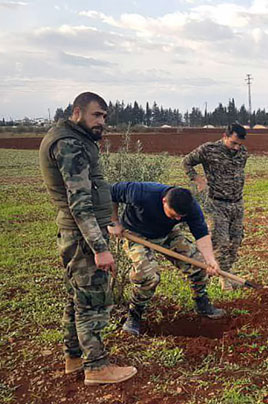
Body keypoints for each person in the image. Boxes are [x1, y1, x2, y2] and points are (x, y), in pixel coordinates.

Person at [39, 92, 137, 385]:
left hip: (77, 233)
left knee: (78, 298)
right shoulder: (70, 145)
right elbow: (79, 202)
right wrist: (99, 247)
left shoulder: (72, 138)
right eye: (96, 115)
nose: (102, 122)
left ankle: (74, 358)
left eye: (105, 117)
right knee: (92, 302)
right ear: (77, 112)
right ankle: (96, 367)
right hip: (82, 237)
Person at [109, 182, 225, 336]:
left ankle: (202, 303)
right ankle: (134, 316)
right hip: (136, 234)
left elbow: (201, 234)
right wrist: (113, 222)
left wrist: (210, 260)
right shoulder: (142, 192)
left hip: (167, 234)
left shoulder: (191, 207)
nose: (177, 218)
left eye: (180, 216)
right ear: (164, 201)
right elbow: (110, 192)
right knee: (148, 276)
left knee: (199, 265)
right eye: (174, 214)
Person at [182, 123, 248, 291]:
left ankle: (227, 272)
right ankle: (224, 279)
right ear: (224, 136)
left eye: (239, 144)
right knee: (221, 241)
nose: (236, 147)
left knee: (236, 240)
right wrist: (197, 179)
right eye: (233, 143)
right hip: (217, 203)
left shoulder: (243, 153)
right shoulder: (208, 150)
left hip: (237, 203)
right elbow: (186, 162)